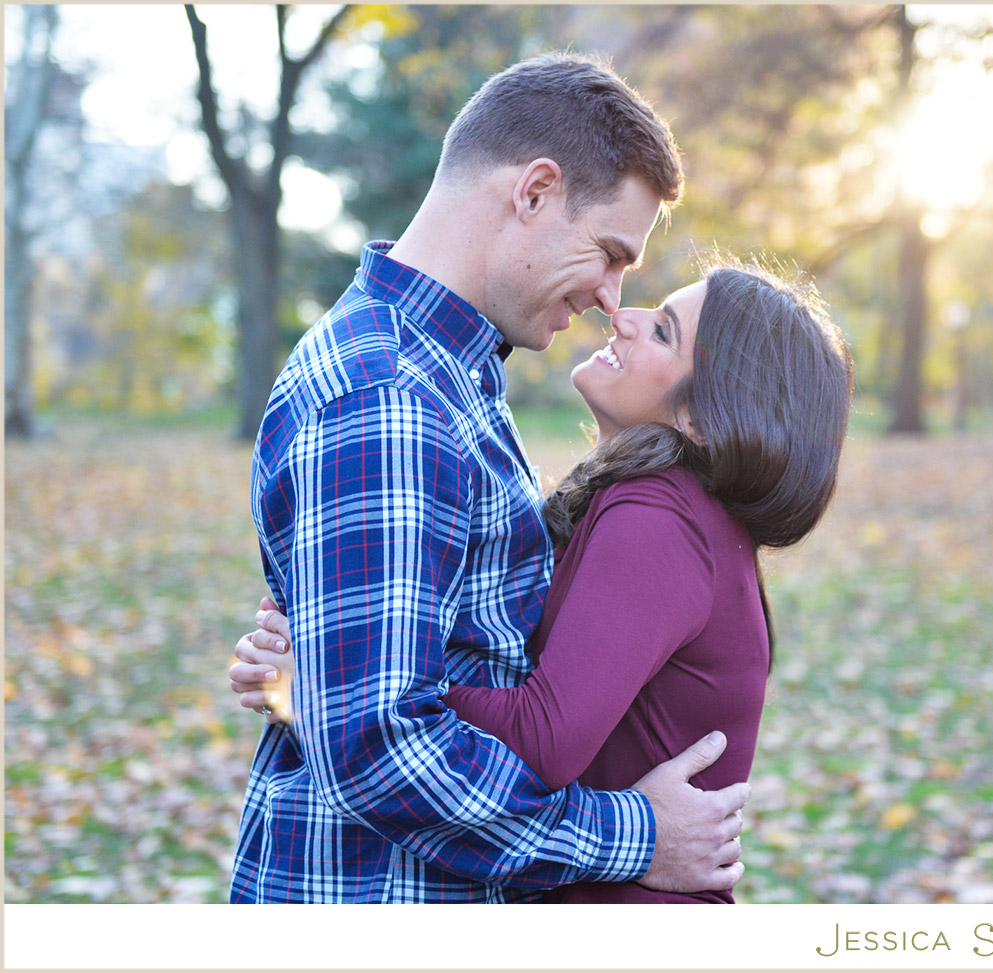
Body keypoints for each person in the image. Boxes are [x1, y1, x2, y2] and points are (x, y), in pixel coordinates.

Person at [229, 52, 750, 904]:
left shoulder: (449, 374)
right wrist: (635, 835)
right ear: (534, 192)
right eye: (609, 253)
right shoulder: (392, 397)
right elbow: (384, 751)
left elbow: (426, 662)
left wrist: (306, 680)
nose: (612, 298)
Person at [232, 261, 855, 902]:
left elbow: (541, 737)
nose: (624, 317)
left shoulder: (662, 517)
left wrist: (335, 683)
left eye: (663, 331)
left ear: (701, 415)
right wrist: (334, 655)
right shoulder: (658, 507)